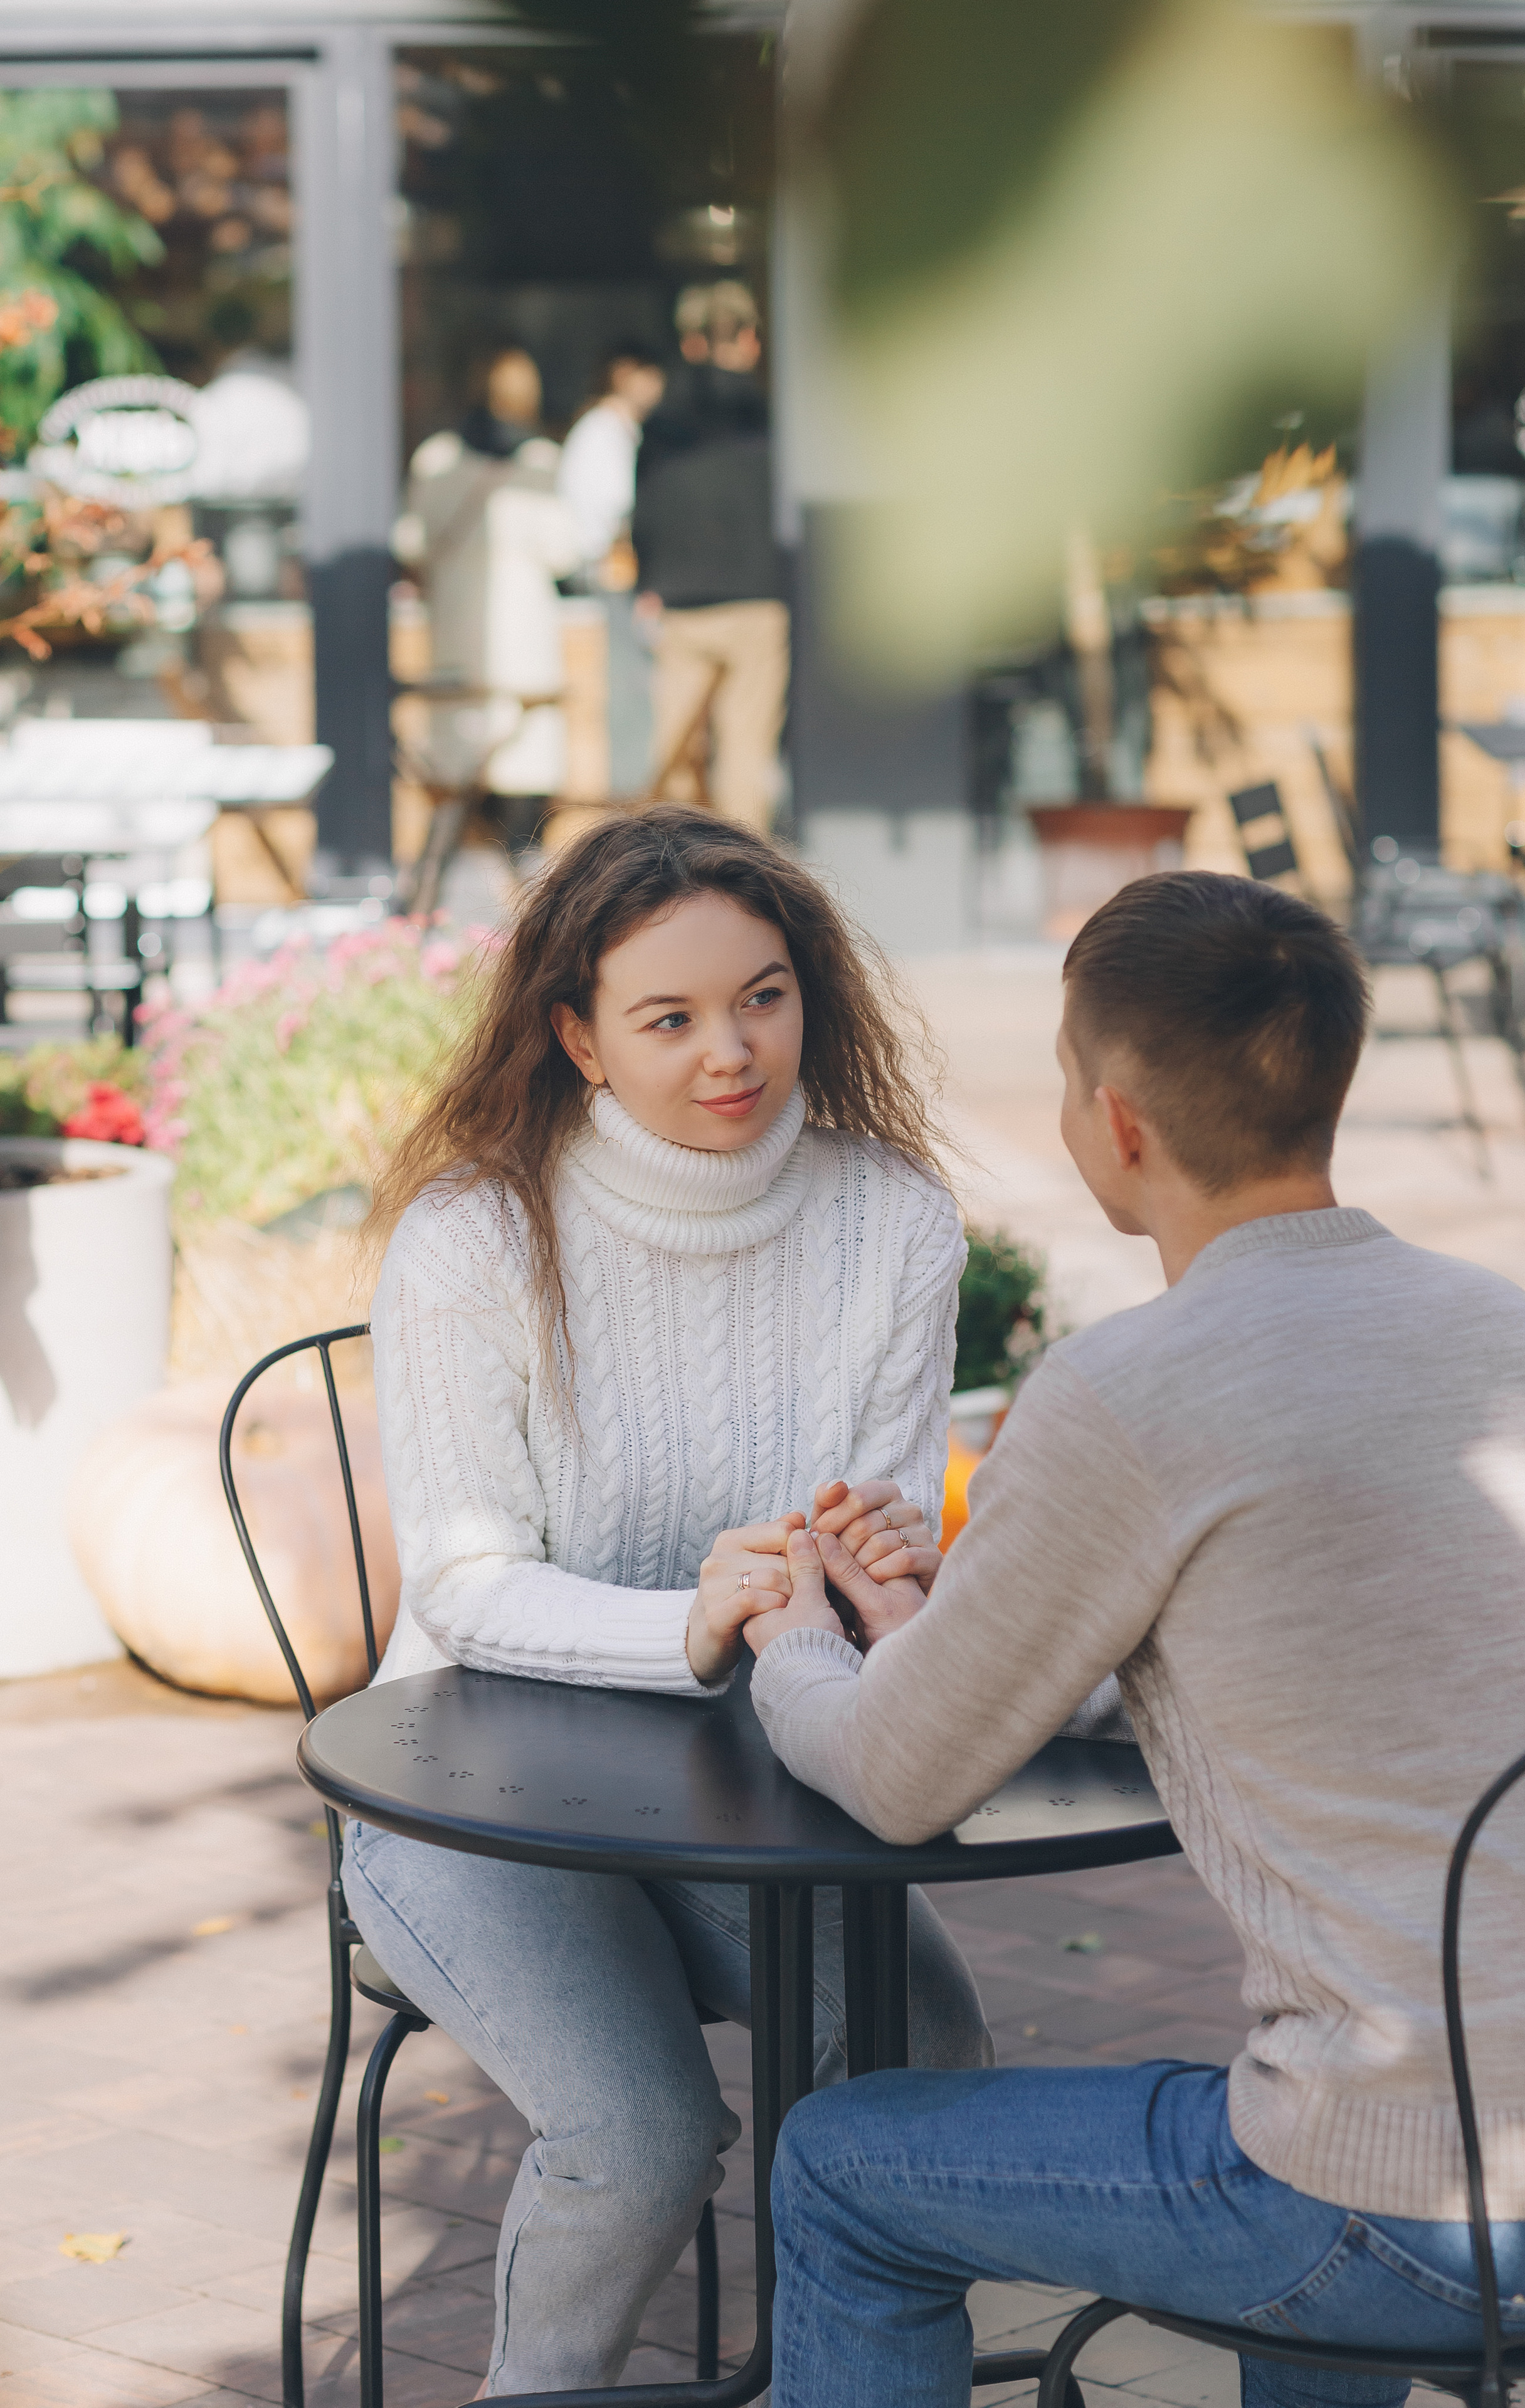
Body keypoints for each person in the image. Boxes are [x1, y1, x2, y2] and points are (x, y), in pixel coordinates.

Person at [741, 870, 1525, 2408]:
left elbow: (893, 1779)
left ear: (1116, 1121)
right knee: (1311, 2112)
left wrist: (792, 1636)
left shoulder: (1126, 1389)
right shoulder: (1498, 1326)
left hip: (1394, 2206)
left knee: (835, 2164)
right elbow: (1300, 1640)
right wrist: (944, 1632)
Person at [346, 806, 991, 2396]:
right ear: (577, 1035)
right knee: (636, 2133)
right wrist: (687, 1626)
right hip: (468, 1793)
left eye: (763, 996)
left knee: (926, 2056)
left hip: (750, 1783)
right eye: (671, 1017)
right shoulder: (473, 1239)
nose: (731, 1050)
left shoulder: (890, 1218)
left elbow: (862, 1539)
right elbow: (465, 1581)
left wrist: (882, 1574)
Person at [400, 348, 583, 861]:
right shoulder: (541, 461)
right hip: (526, 640)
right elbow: (563, 550)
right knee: (525, 774)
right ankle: (520, 880)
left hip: (458, 639)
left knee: (460, 783)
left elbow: (413, 543)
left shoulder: (437, 459)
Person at [632, 281, 789, 833]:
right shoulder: (772, 417)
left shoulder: (661, 424)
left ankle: (671, 864)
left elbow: (644, 513)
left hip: (681, 601)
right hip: (757, 598)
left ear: (689, 343)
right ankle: (742, 867)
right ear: (750, 340)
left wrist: (648, 582)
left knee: (675, 747)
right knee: (746, 750)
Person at [557, 347, 667, 795]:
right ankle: (631, 796)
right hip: (608, 571)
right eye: (649, 374)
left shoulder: (621, 430)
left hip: (618, 570)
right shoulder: (602, 431)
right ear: (624, 374)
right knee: (627, 685)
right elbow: (619, 510)